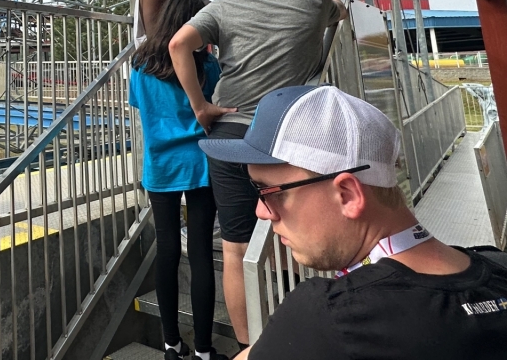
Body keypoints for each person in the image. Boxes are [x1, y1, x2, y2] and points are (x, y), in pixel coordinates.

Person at [200, 85, 507, 360]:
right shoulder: (497, 264)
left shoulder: (332, 317)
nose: (262, 212)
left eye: (269, 192)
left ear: (347, 195)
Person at [167, 0, 347, 348]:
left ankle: (251, 347)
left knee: (235, 247)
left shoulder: (223, 7)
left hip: (229, 133)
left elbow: (178, 44)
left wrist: (201, 107)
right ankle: (300, 337)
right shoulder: (310, 2)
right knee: (296, 236)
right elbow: (340, 8)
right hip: (287, 135)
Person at [131, 0, 232, 360]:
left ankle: (172, 346)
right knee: (201, 251)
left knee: (168, 249)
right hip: (201, 164)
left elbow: (141, 106)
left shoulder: (139, 65)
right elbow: (217, 105)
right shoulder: (206, 64)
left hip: (160, 166)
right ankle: (205, 351)